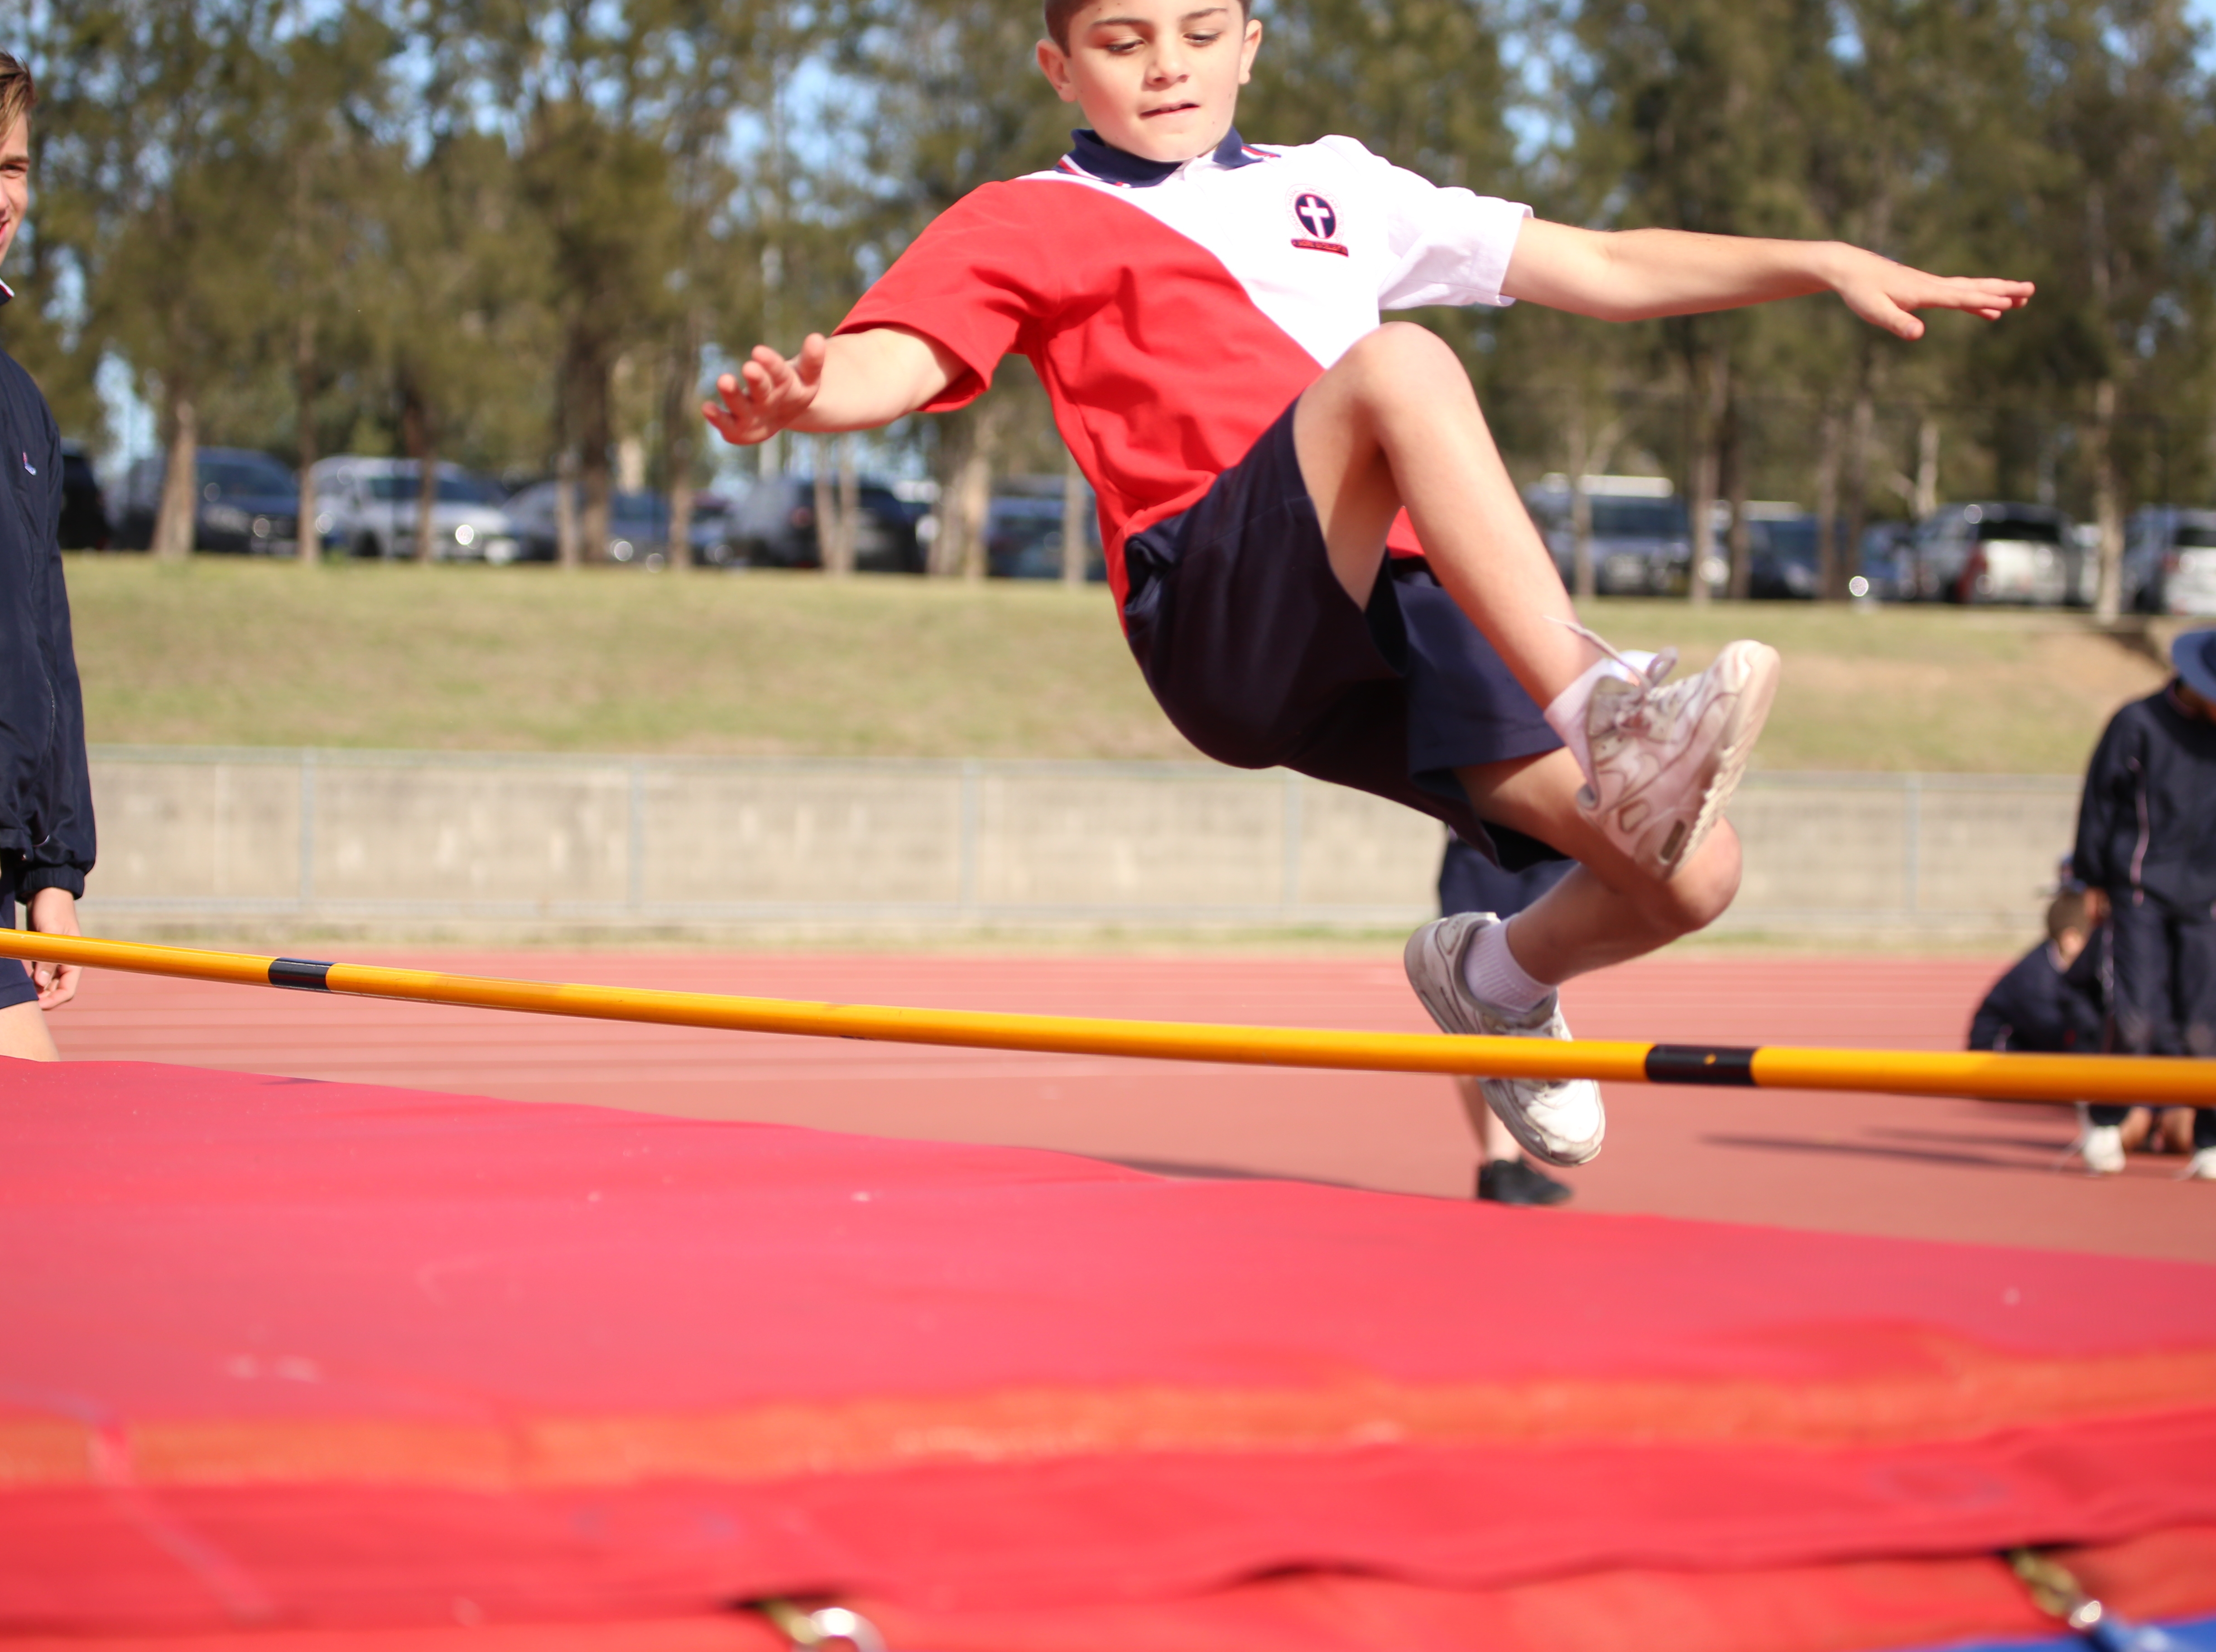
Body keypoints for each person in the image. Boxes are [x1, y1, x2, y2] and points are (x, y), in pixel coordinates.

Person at [702, 0, 2031, 1166]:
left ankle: (1498, 977)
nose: (1167, 68)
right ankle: (1608, 711)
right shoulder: (1032, 217)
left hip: (1400, 612)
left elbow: (1610, 266)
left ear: (1251, 44)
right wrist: (814, 405)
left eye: (1201, 33)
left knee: (1693, 872)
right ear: (1060, 67)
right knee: (1402, 371)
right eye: (1122, 43)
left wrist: (1819, 261)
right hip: (1217, 604)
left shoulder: (1338, 186)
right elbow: (904, 353)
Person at [2069, 623, 2216, 1182]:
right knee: (2135, 1018)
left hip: (2207, 902)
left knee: (2203, 1027)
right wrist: (2092, 878)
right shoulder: (2138, 724)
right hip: (2139, 890)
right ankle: (2105, 1118)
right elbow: (2099, 802)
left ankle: (2214, 1138)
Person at [0, 50, 90, 1063]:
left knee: (29, 1163)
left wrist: (52, 868)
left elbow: (40, 641)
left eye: (11, 168)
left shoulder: (20, 404)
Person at [1435, 833, 1576, 1205]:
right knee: (1503, 1006)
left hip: (1483, 841)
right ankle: (1501, 1162)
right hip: (1517, 844)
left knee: (1473, 1012)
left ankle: (1501, 1162)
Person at [1968, 886, 2103, 1055]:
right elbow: (2058, 1037)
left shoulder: (2062, 965)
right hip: (1994, 1060)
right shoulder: (2037, 981)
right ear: (2071, 940)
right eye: (2093, 936)